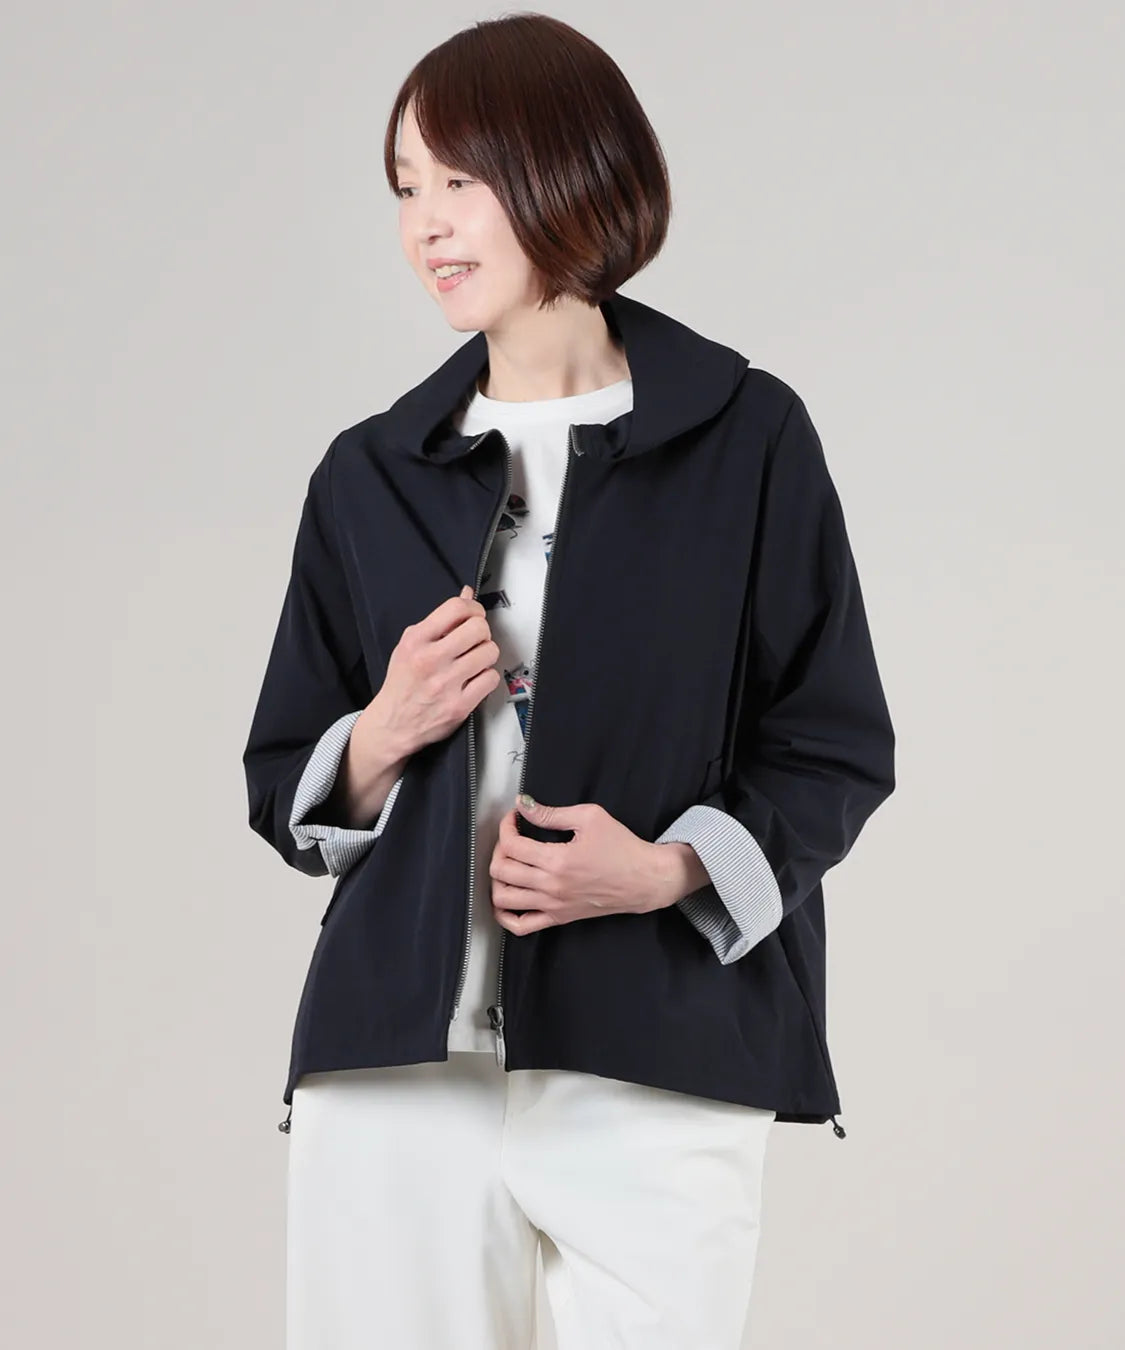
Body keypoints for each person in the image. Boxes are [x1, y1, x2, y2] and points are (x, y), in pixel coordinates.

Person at [241, 13, 896, 1350]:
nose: (426, 223)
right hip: (397, 1066)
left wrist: (662, 871)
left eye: (459, 178)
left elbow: (831, 740)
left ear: (569, 170)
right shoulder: (369, 473)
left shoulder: (745, 437)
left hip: (656, 1045)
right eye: (405, 187)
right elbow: (285, 777)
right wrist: (384, 729)